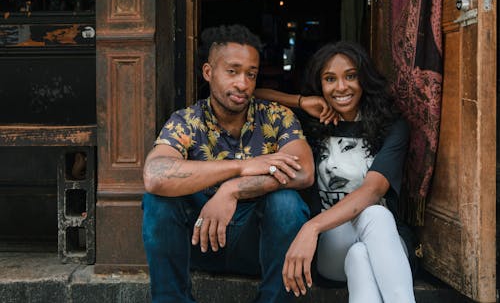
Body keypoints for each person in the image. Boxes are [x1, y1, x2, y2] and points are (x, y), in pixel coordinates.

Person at [141, 24, 315, 303]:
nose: (242, 84)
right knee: (158, 200)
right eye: (232, 72)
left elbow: (304, 171)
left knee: (287, 203)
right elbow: (155, 175)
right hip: (200, 241)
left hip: (255, 244)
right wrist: (240, 167)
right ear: (209, 73)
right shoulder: (187, 121)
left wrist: (232, 190)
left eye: (251, 74)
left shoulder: (276, 117)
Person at [255, 41, 416, 303]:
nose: (341, 87)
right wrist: (300, 101)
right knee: (370, 223)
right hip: (332, 244)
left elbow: (373, 190)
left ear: (364, 79)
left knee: (362, 251)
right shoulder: (311, 124)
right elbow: (251, 95)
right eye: (330, 79)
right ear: (320, 85)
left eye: (351, 76)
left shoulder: (391, 126)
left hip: (384, 243)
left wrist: (310, 227)